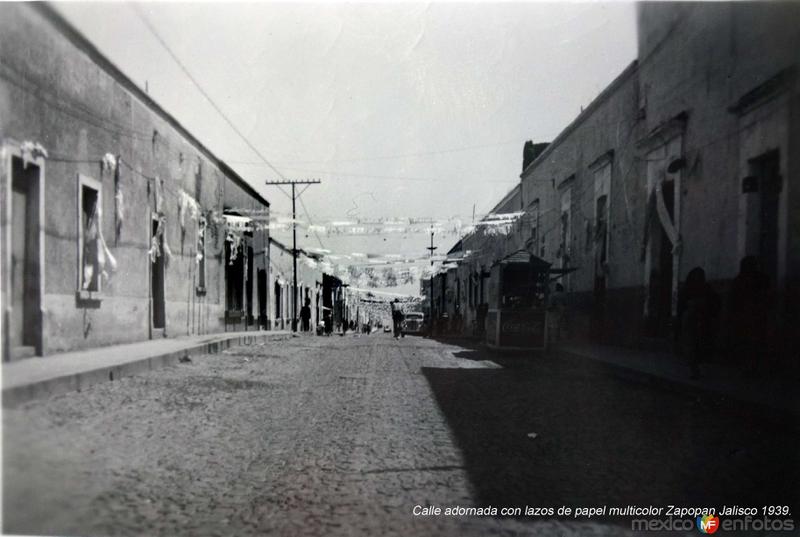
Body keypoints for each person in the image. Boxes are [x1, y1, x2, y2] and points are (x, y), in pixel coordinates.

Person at [728, 256, 771, 376]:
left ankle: (748, 367)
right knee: (754, 343)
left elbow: (733, 300)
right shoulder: (762, 279)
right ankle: (753, 367)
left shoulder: (739, 280)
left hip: (745, 318)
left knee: (746, 344)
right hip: (755, 317)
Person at [677, 267, 721, 378]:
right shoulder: (704, 288)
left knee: (695, 346)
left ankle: (696, 370)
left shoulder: (690, 289)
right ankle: (697, 370)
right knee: (695, 346)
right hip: (696, 322)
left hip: (699, 322)